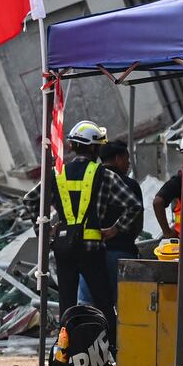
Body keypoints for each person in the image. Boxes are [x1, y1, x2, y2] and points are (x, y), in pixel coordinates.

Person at [46, 119, 142, 350]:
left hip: (63, 248)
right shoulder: (103, 174)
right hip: (92, 249)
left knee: (67, 306)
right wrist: (116, 229)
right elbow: (134, 205)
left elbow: (31, 200)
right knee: (103, 305)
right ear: (94, 148)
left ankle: (67, 354)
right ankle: (112, 352)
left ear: (72, 146)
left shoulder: (57, 174)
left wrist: (47, 230)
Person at [79, 140, 143, 307]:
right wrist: (117, 230)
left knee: (88, 307)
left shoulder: (86, 182)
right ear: (118, 158)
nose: (128, 164)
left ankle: (94, 333)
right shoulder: (129, 185)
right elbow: (137, 221)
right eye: (127, 159)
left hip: (90, 254)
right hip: (121, 254)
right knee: (124, 308)